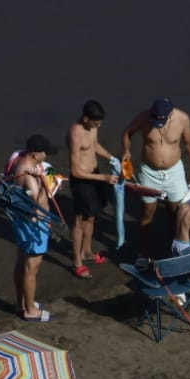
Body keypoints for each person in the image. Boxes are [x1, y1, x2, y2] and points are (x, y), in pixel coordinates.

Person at [121, 98, 190, 255]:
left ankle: (173, 247)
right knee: (147, 212)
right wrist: (126, 150)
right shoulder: (144, 117)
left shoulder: (182, 119)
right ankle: (143, 251)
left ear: (169, 115)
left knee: (175, 211)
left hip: (174, 171)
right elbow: (127, 132)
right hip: (149, 172)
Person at [67, 100, 120, 277]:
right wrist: (103, 177)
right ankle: (76, 261)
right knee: (79, 220)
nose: (99, 125)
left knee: (92, 216)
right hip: (82, 180)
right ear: (85, 118)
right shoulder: (75, 134)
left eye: (100, 122)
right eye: (96, 122)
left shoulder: (93, 126)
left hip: (95, 174)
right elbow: (75, 171)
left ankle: (87, 252)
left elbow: (94, 145)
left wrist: (112, 158)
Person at [8, 135, 55, 322]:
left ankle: (23, 302)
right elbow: (40, 204)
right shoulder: (29, 176)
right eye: (44, 152)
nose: (46, 155)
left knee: (21, 261)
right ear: (36, 154)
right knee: (32, 267)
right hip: (33, 225)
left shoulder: (18, 159)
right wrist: (46, 182)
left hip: (20, 220)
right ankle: (30, 310)